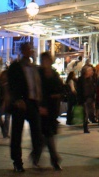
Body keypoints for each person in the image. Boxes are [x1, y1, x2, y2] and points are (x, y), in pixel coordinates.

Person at [7, 42, 43, 172]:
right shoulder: (16, 67)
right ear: (22, 51)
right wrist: (17, 99)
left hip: (33, 102)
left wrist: (40, 102)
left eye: (31, 49)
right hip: (20, 103)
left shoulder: (33, 67)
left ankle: (35, 155)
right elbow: (12, 85)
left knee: (37, 133)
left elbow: (37, 85)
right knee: (17, 133)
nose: (30, 51)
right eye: (28, 49)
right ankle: (17, 161)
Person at [36, 52, 63, 171]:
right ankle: (55, 159)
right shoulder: (39, 74)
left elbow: (60, 89)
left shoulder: (54, 74)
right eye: (45, 60)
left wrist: (58, 95)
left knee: (46, 136)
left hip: (52, 108)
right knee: (48, 134)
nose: (47, 62)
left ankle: (36, 155)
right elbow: (37, 91)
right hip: (42, 108)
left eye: (48, 60)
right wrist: (40, 105)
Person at [80, 64, 97, 132]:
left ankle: (88, 122)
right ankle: (85, 126)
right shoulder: (81, 80)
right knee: (85, 113)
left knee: (89, 112)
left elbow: (92, 89)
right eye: (90, 71)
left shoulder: (91, 79)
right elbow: (80, 90)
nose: (92, 72)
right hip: (84, 98)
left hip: (90, 98)